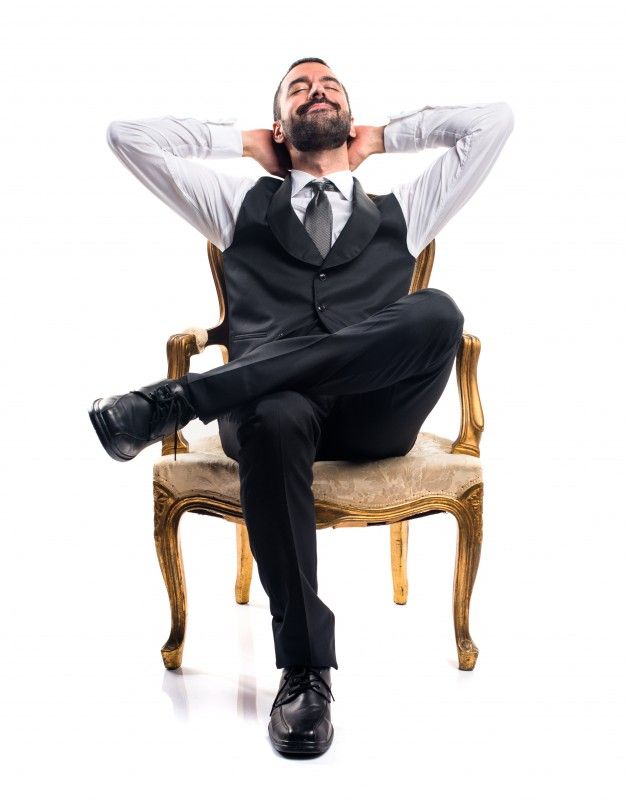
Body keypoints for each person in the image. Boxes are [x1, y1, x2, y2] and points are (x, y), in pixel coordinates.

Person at [89, 57, 514, 756]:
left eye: (331, 86)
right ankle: (305, 672)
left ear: (350, 118)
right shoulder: (237, 207)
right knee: (275, 413)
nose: (318, 91)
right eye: (299, 88)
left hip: (375, 414)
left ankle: (179, 402)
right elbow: (125, 136)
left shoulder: (405, 212)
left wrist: (385, 138)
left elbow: (493, 123)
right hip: (272, 415)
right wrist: (242, 142)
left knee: (437, 311)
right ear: (282, 125)